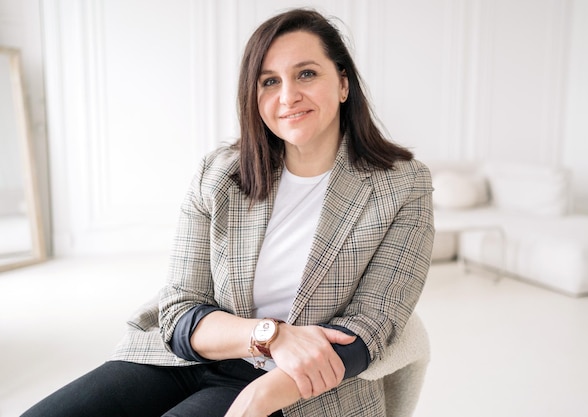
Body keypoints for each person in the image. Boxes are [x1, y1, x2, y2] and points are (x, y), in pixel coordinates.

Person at [22, 8, 434, 417]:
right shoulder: (219, 174)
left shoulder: (402, 185)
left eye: (306, 73)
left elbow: (372, 326)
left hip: (298, 388)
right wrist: (271, 336)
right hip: (190, 357)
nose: (288, 96)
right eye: (269, 82)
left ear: (343, 84)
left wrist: (262, 395)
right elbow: (181, 307)